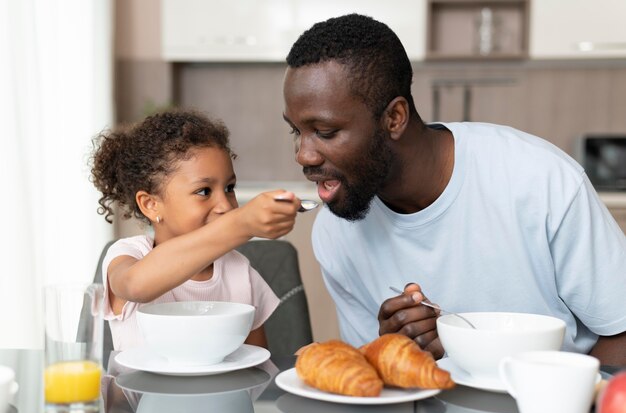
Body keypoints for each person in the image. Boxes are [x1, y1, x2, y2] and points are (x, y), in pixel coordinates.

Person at [282, 13, 626, 364]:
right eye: (296, 131)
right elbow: (376, 379)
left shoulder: (540, 181)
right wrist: (393, 350)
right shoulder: (336, 232)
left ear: (394, 118)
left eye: (324, 132)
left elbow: (622, 331)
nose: (303, 155)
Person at [90, 110, 300, 351]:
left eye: (229, 188)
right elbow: (136, 286)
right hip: (141, 390)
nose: (225, 206)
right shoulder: (129, 255)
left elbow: (256, 367)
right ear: (151, 204)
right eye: (204, 191)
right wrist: (240, 223)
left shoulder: (240, 272)